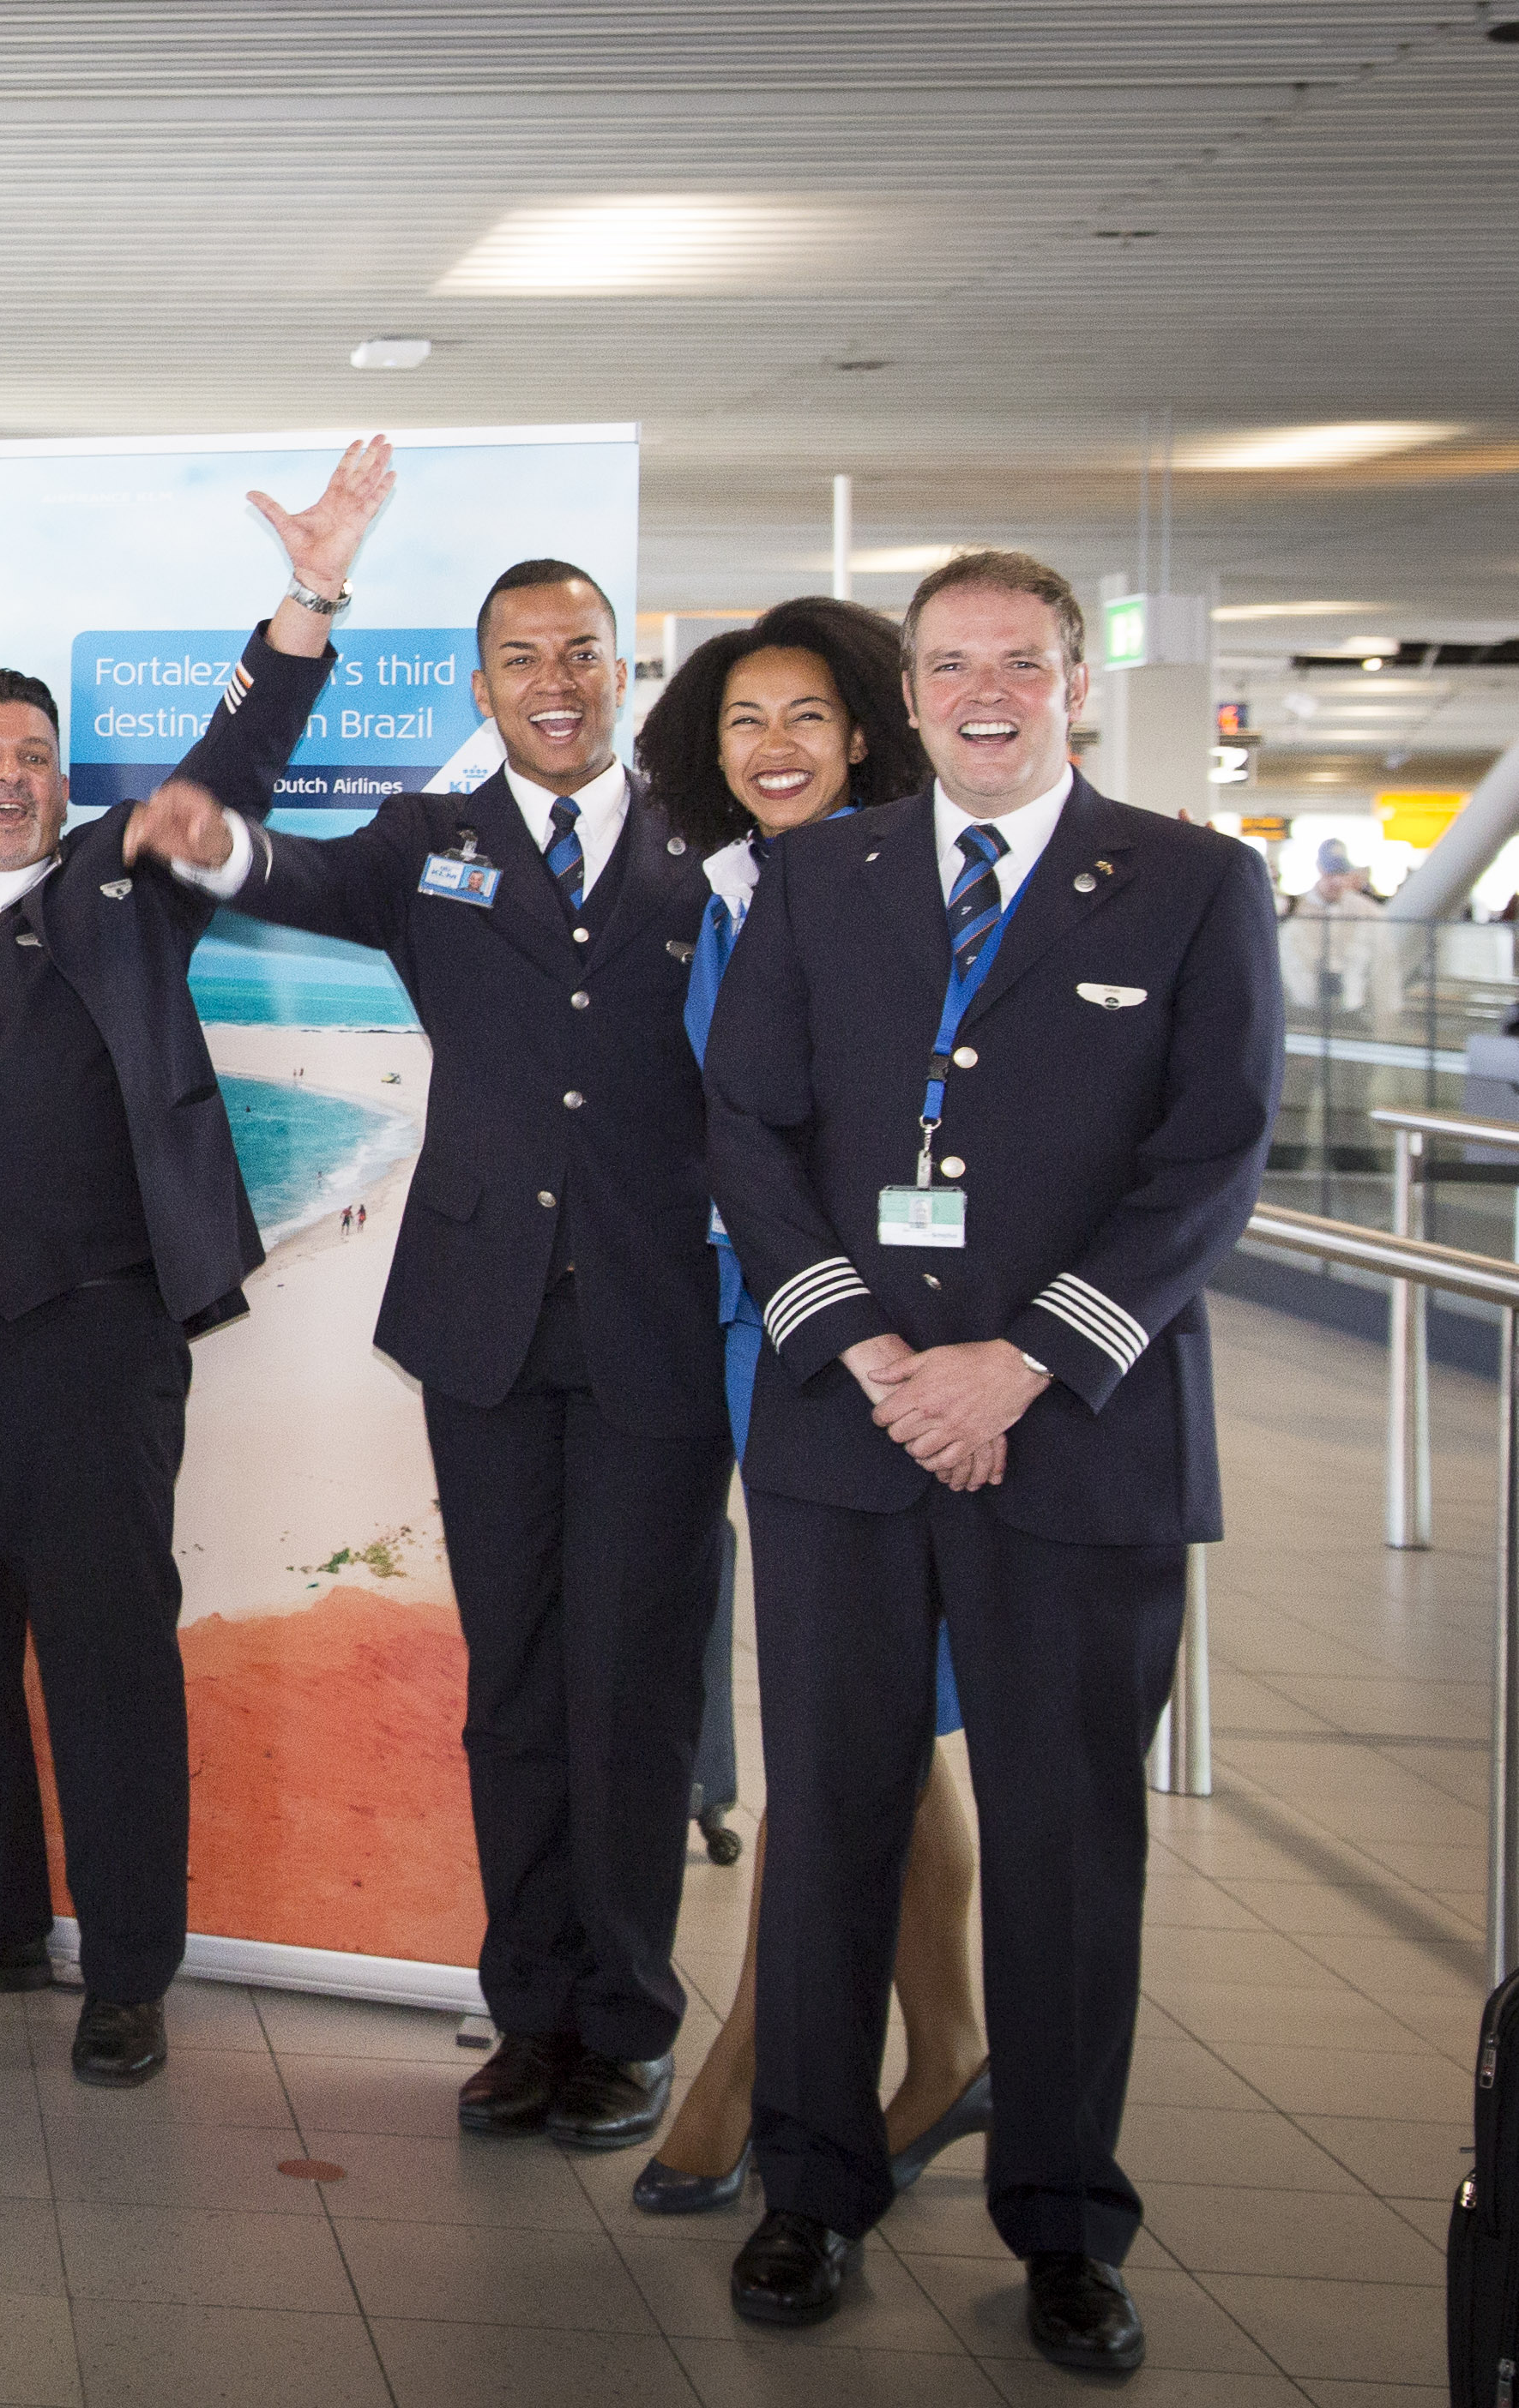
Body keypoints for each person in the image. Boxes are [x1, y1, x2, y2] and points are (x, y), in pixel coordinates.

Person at [0, 436, 395, 2088]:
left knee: (107, 1655)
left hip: (93, 1343)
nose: (11, 776)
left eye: (35, 756)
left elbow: (235, 757)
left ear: (61, 782)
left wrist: (307, 592)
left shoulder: (127, 879)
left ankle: (124, 1967)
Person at [704, 551, 1281, 2371]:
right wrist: (859, 1345)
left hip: (1077, 1440)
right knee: (830, 1826)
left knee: (1066, 1843)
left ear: (1075, 682)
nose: (983, 693)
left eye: (1018, 663)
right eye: (950, 663)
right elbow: (749, 1126)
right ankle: (811, 2188)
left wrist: (1021, 1362)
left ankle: (1065, 2222)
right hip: (849, 1429)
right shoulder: (818, 876)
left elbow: (1214, 1157)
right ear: (912, 692)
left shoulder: (1191, 883)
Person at [136, 531, 735, 2150]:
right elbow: (298, 877)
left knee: (633, 1690)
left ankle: (625, 2021)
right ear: (482, 687)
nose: (556, 680)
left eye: (582, 651)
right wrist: (209, 839)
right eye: (523, 658)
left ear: (624, 670)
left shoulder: (711, 846)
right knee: (516, 1682)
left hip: (658, 1327)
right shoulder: (434, 838)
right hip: (483, 1322)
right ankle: (529, 2008)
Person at [621, 599, 987, 2218]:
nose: (774, 748)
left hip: (878, 1338)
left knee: (861, 1704)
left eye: (808, 719)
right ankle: (951, 2045)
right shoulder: (729, 890)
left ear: (867, 735)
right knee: (876, 1707)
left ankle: (757, 2057)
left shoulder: (910, 892)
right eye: (743, 721)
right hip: (749, 1316)